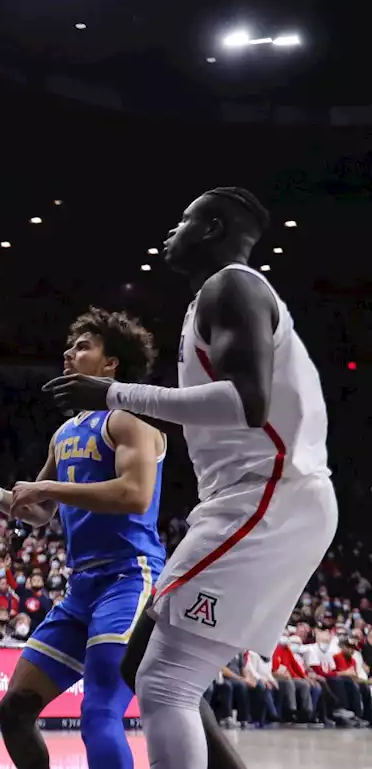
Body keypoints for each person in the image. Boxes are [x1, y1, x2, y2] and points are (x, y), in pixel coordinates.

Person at [45, 186, 338, 769]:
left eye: (184, 220)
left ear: (212, 228)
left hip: (267, 497)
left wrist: (114, 393)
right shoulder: (220, 297)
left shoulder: (232, 285)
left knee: (163, 684)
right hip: (259, 498)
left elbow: (247, 402)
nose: (171, 231)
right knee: (142, 663)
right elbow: (229, 410)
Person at [0, 307, 165, 769]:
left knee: (99, 713)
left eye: (83, 347)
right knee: (14, 708)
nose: (68, 353)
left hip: (130, 579)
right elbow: (39, 512)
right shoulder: (65, 433)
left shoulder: (130, 421)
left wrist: (47, 487)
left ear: (111, 364)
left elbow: (134, 494)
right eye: (70, 346)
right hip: (81, 588)